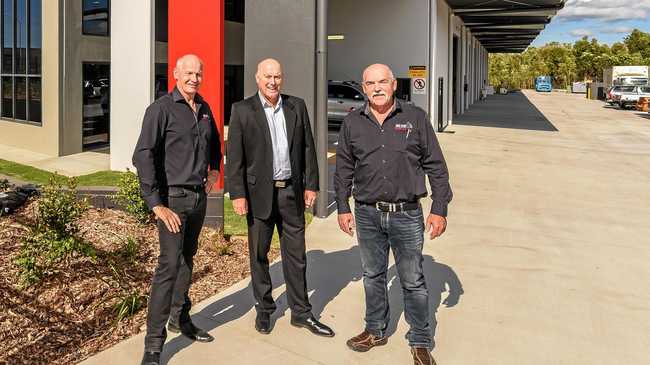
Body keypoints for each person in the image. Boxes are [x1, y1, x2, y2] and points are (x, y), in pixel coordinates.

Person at [334, 64, 452, 365]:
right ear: (363, 88)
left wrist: (439, 209)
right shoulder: (352, 123)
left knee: (412, 280)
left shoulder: (415, 118)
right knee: (373, 276)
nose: (377, 88)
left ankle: (421, 341)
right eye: (370, 83)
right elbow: (343, 169)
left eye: (382, 81)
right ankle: (375, 330)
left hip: (407, 214)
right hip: (366, 214)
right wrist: (343, 208)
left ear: (393, 85)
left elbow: (436, 166)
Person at [226, 58, 334, 338]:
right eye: (267, 76)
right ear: (257, 78)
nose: (273, 82)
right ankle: (264, 309)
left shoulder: (296, 106)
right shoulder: (242, 110)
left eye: (277, 76)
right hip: (258, 195)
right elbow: (235, 157)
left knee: (296, 256)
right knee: (259, 255)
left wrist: (312, 185)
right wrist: (237, 194)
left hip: (291, 193)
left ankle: (301, 312)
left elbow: (309, 148)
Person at [133, 54, 221, 365]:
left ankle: (179, 318)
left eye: (199, 73)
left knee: (187, 259)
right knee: (168, 267)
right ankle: (153, 346)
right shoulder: (161, 109)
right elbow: (142, 156)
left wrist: (213, 171)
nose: (194, 78)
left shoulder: (205, 109)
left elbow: (214, 148)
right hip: (172, 201)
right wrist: (156, 204)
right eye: (188, 73)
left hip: (198, 199)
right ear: (175, 74)